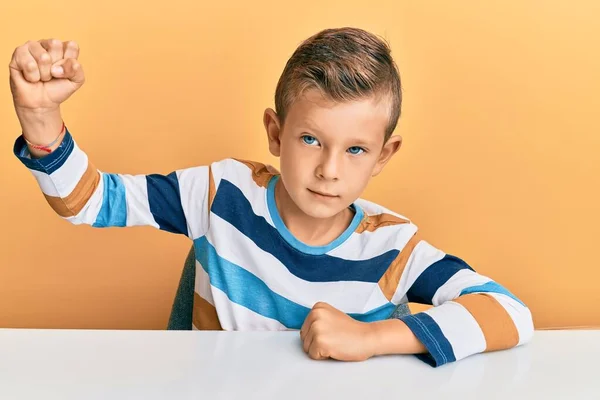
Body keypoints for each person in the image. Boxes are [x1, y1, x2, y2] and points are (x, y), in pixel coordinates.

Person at [8, 27, 533, 367]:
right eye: (311, 140)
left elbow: (510, 314)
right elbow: (89, 201)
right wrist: (40, 120)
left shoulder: (393, 246)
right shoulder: (221, 194)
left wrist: (374, 339)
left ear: (383, 156)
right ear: (275, 133)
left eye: (355, 150)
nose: (329, 170)